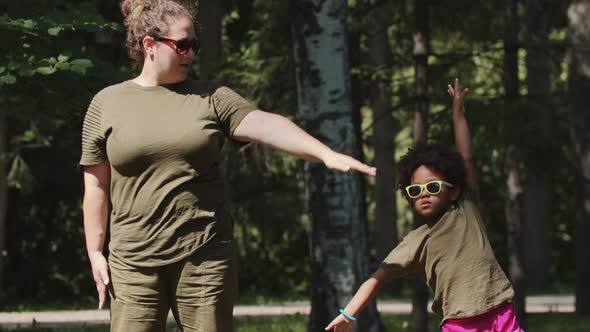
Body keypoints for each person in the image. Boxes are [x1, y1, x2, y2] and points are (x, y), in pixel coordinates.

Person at [80, 0, 376, 331]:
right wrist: (95, 251)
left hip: (204, 258)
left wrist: (325, 154)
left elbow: (267, 125)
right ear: (149, 44)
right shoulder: (107, 103)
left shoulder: (212, 97)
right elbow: (95, 187)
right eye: (182, 45)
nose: (191, 53)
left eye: (195, 45)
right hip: (132, 263)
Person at [325, 79, 524, 332]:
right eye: (415, 191)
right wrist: (347, 314)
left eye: (432, 187)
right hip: (460, 323)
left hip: (500, 311)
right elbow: (376, 279)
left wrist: (457, 113)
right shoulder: (416, 241)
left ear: (454, 191)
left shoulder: (466, 207)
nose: (424, 195)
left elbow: (466, 157)